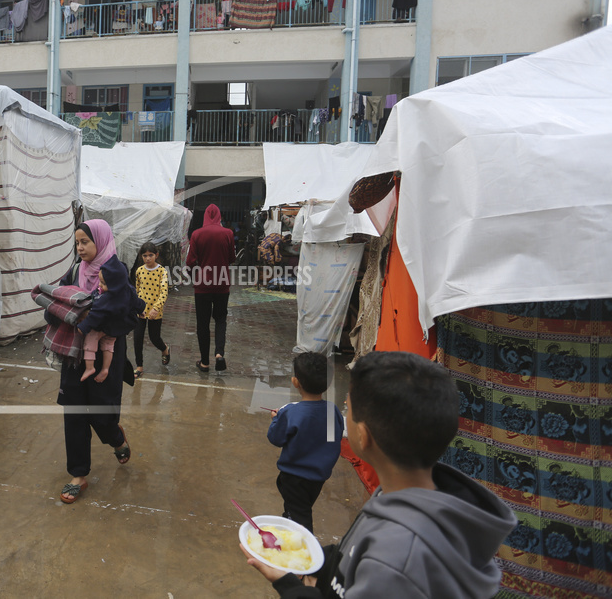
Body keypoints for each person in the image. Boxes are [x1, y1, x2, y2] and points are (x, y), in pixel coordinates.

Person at [242, 351, 517, 598]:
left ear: (363, 435)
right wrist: (325, 563)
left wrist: (290, 587)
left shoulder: (395, 562)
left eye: (350, 406)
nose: (345, 411)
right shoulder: (397, 497)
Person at [44, 220, 136, 504]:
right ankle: (78, 474)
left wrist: (102, 322)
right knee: (74, 414)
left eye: (86, 241)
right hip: (75, 351)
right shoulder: (73, 272)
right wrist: (70, 316)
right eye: (77, 242)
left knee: (100, 414)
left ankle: (115, 437)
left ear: (101, 240)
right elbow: (53, 305)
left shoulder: (116, 273)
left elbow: (129, 314)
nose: (80, 247)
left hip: (107, 351)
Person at [266, 352, 343, 535]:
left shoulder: (291, 412)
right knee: (300, 507)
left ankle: (302, 547)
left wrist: (276, 419)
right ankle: (289, 519)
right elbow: (332, 441)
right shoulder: (332, 411)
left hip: (294, 477)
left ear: (295, 382)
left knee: (300, 518)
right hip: (318, 477)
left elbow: (276, 438)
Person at [187, 204, 234, 372]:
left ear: (205, 216)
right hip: (222, 284)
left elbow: (190, 262)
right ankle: (219, 354)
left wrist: (195, 274)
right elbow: (231, 258)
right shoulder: (228, 233)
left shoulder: (197, 234)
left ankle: (205, 362)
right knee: (221, 319)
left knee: (203, 323)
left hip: (203, 286)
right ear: (219, 216)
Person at [78, 265, 143, 383]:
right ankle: (105, 369)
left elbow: (94, 315)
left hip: (100, 328)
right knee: (108, 346)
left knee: (90, 340)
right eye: (100, 282)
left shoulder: (105, 298)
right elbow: (137, 302)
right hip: (114, 331)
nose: (100, 285)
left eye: (103, 283)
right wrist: (141, 310)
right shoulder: (127, 290)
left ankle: (90, 367)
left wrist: (82, 328)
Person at [132, 241, 171, 379]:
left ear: (156, 255)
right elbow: (137, 291)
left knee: (154, 338)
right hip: (141, 311)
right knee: (137, 338)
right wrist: (137, 307)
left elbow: (164, 292)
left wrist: (156, 308)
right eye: (145, 255)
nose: (148, 258)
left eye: (150, 255)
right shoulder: (139, 271)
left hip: (156, 311)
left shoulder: (162, 271)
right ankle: (139, 367)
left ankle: (165, 349)